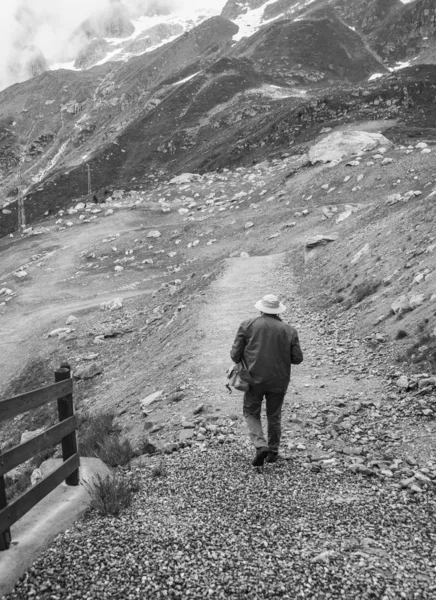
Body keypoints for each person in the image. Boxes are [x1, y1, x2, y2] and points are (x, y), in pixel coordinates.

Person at [230, 294, 303, 466]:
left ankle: (260, 444)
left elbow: (234, 355)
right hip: (279, 381)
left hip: (253, 379)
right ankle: (273, 452)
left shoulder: (247, 325)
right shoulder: (290, 330)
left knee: (251, 412)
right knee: (274, 415)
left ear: (261, 309)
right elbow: (297, 358)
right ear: (278, 310)